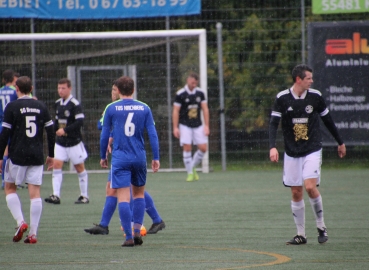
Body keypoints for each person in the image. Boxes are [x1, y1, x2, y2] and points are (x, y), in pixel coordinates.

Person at [269, 64, 346, 245]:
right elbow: (273, 124)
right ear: (298, 79)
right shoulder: (282, 98)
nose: (312, 81)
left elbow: (328, 120)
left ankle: (321, 226)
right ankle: (301, 234)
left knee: (310, 186)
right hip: (291, 152)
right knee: (296, 191)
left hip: (312, 148)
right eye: (308, 78)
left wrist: (340, 142)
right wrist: (272, 147)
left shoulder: (315, 97)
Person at [85, 84, 165, 235]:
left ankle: (142, 224)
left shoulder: (113, 107)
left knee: (129, 190)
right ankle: (105, 224)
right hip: (129, 154)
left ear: (120, 91)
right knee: (115, 189)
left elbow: (101, 126)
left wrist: (107, 142)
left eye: (115, 90)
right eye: (112, 89)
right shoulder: (132, 108)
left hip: (122, 155)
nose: (112, 92)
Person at [100, 76, 160, 247]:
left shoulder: (111, 108)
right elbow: (153, 135)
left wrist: (103, 156)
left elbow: (104, 135)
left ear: (118, 90)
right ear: (133, 90)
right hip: (139, 157)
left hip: (120, 158)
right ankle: (137, 232)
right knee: (139, 194)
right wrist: (156, 157)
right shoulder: (144, 107)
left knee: (123, 198)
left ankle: (128, 237)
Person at [0, 76, 55, 244]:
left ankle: (20, 222)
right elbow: (51, 131)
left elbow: (5, 134)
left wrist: (0, 156)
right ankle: (33, 233)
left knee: (9, 188)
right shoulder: (41, 106)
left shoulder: (12, 107)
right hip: (37, 155)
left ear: (17, 89)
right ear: (31, 88)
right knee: (35, 193)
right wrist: (51, 154)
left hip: (17, 155)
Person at [44, 78, 89, 204]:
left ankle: (84, 196)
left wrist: (66, 130)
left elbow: (79, 122)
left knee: (79, 168)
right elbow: (57, 122)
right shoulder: (58, 103)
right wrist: (53, 129)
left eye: (63, 88)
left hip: (74, 142)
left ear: (70, 89)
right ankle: (55, 195)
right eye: (59, 88)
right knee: (57, 166)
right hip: (61, 143)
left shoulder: (75, 104)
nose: (60, 90)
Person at [172, 72, 210, 182]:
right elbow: (175, 111)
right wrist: (175, 127)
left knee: (203, 148)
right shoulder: (180, 94)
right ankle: (189, 173)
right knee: (187, 147)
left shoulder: (200, 93)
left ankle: (191, 166)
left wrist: (207, 126)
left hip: (198, 125)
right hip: (185, 125)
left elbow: (205, 109)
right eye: (192, 82)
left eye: (195, 83)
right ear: (188, 80)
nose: (194, 85)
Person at [0, 70, 18, 190]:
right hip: (12, 123)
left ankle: (4, 180)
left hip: (1, 123)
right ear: (12, 79)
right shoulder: (15, 92)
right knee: (12, 151)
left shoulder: (0, 91)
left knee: (5, 151)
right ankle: (11, 179)